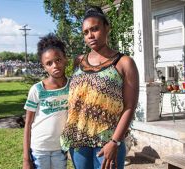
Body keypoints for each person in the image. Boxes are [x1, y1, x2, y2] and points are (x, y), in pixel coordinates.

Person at [60, 6, 139, 169]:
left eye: (95, 29)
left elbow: (130, 106)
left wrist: (115, 142)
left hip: (107, 141)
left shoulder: (124, 63)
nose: (90, 35)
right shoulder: (79, 61)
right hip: (78, 141)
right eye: (86, 32)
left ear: (107, 27)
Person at [23, 33, 69, 169]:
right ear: (44, 67)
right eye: (49, 63)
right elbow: (28, 124)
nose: (55, 65)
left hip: (60, 148)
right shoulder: (37, 89)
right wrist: (26, 158)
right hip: (39, 149)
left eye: (58, 60)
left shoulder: (73, 87)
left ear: (65, 59)